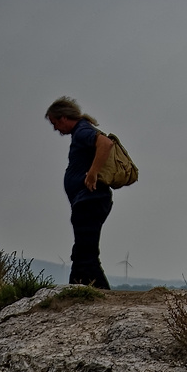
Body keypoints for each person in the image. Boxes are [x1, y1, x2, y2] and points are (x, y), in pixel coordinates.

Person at [44, 97, 115, 289]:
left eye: (55, 123)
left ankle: (98, 292)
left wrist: (92, 173)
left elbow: (106, 143)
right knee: (82, 252)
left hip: (90, 200)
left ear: (64, 118)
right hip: (87, 201)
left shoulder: (82, 130)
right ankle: (77, 289)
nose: (56, 128)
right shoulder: (81, 131)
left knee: (86, 253)